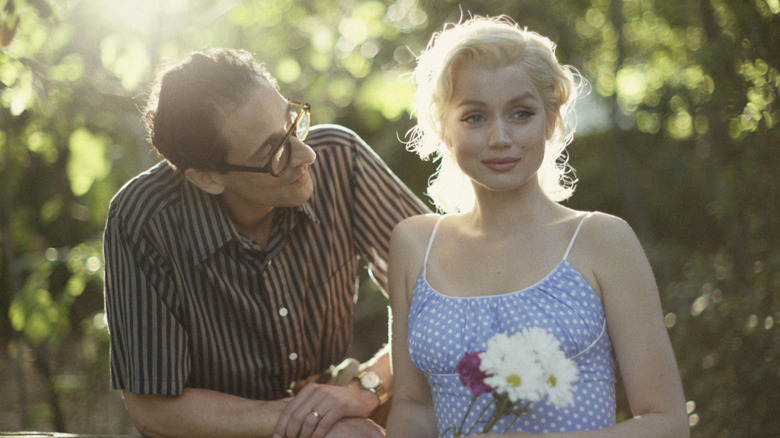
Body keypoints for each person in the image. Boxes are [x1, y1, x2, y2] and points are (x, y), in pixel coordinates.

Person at [386, 16, 689, 437]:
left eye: (521, 113)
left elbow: (668, 423)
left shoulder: (602, 241)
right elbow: (414, 408)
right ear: (443, 127)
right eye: (474, 117)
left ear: (550, 121)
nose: (499, 137)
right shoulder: (415, 243)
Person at [102, 48, 429, 438]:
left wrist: (366, 390)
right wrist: (319, 424)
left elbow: (448, 296)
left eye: (294, 123)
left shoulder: (341, 158)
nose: (305, 154)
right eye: (274, 151)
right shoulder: (142, 218)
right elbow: (153, 410)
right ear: (207, 178)